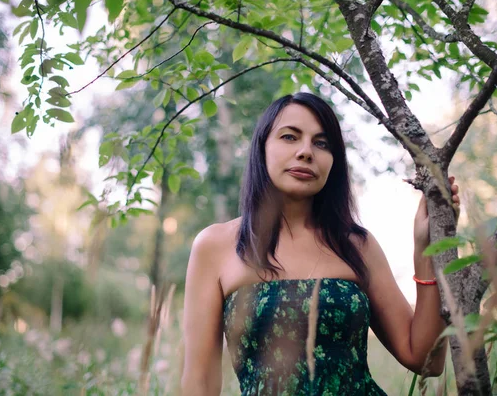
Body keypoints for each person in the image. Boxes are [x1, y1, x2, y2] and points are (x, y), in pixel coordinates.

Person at [181, 93, 460, 395]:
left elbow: (427, 360)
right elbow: (199, 382)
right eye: (289, 137)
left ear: (333, 161)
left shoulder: (357, 246)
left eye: (321, 143)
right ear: (262, 148)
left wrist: (426, 249)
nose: (305, 152)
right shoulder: (216, 246)